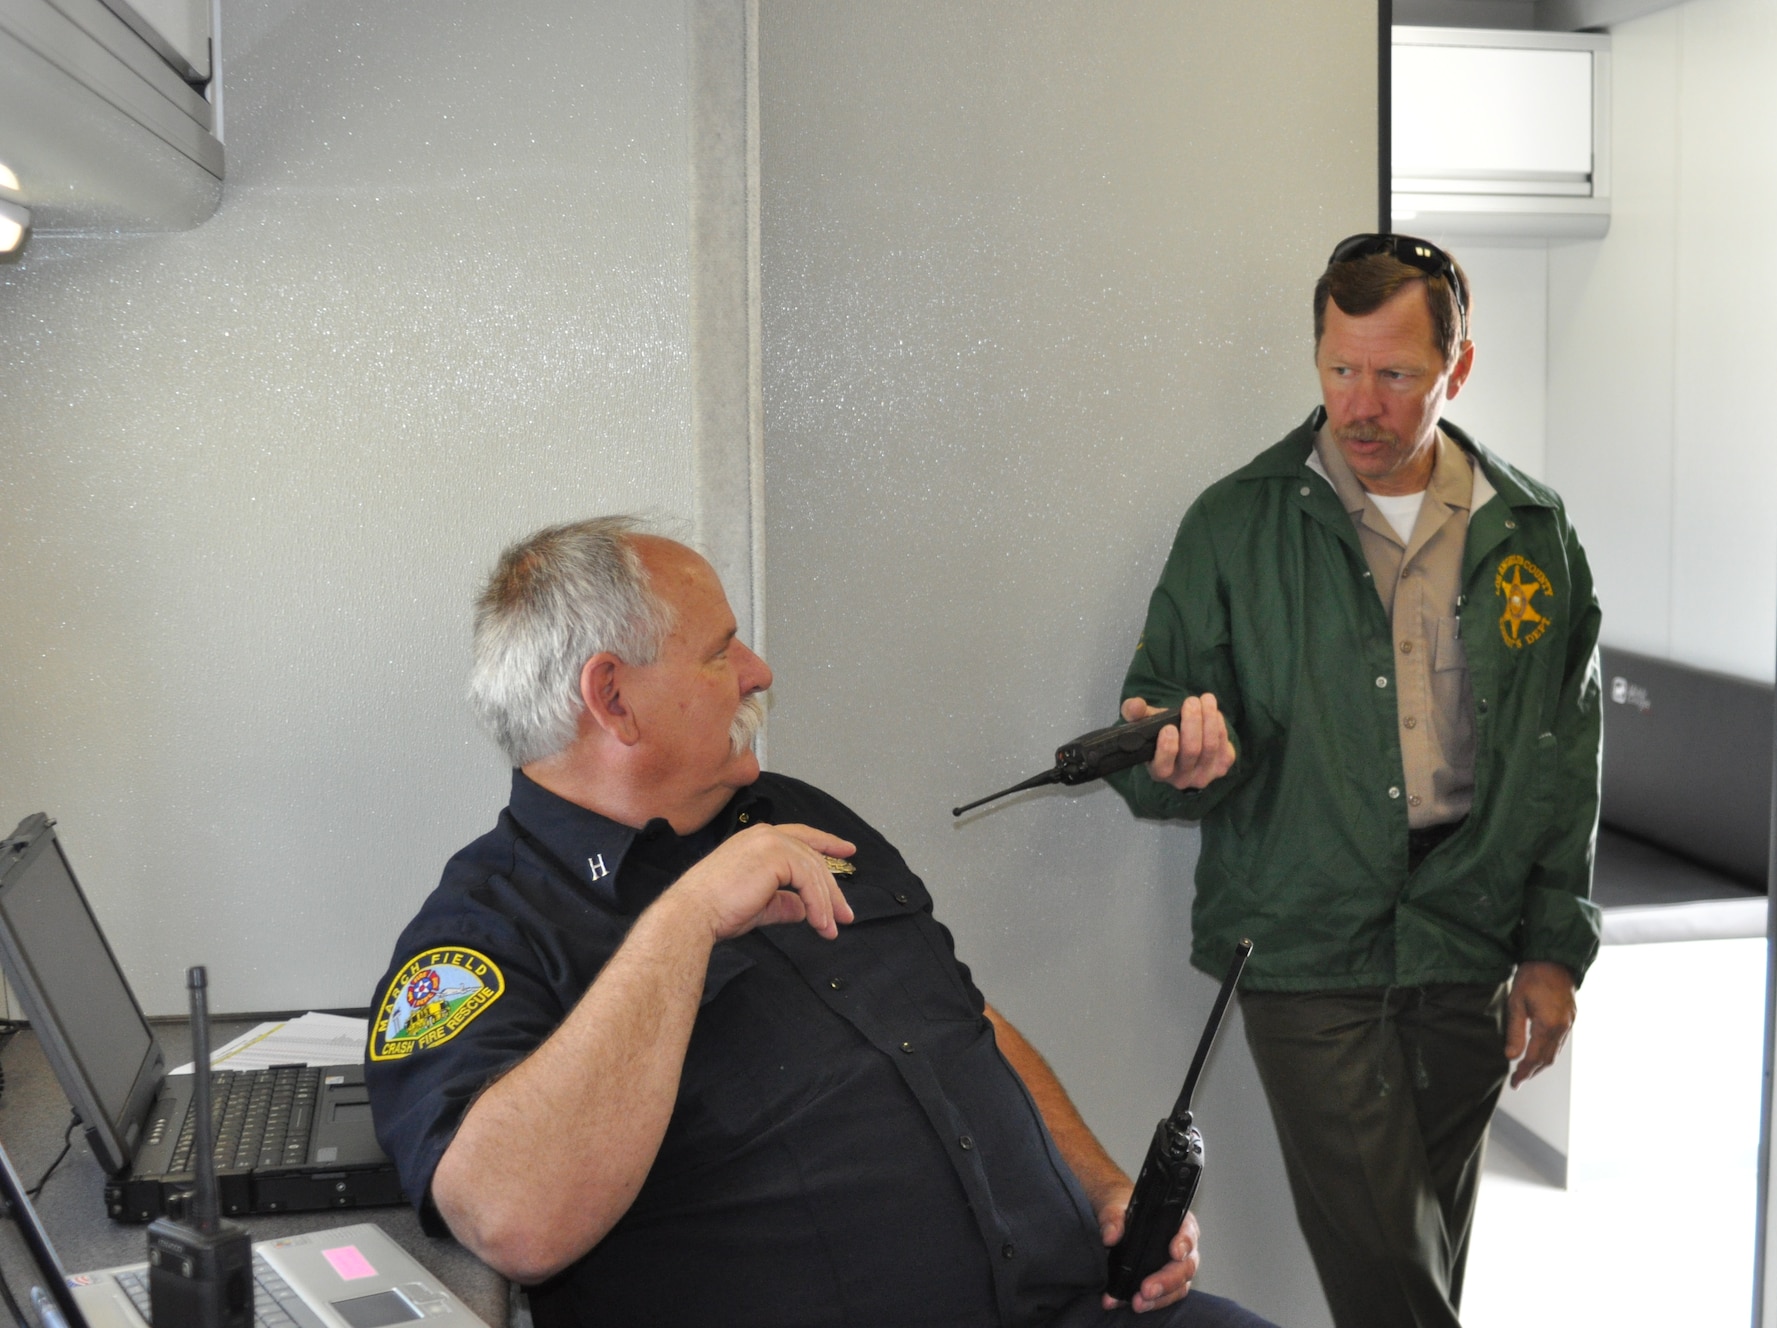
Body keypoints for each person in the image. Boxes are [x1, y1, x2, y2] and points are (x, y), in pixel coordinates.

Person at [363, 517, 1278, 1328]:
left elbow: (963, 1025)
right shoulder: (482, 938)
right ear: (612, 699)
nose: (758, 672)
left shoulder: (792, 811)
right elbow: (512, 1220)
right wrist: (683, 921)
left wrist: (1107, 1190)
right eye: (721, 652)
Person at [1107, 234, 1603, 1328]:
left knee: (1422, 1263)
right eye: (1338, 368)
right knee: (1396, 1288)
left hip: (1465, 944)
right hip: (1303, 946)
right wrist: (1176, 754)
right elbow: (1151, 724)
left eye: (1393, 374)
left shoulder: (1530, 531)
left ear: (1455, 370)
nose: (1359, 403)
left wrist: (1550, 944)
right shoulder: (1234, 524)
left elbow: (1564, 755)